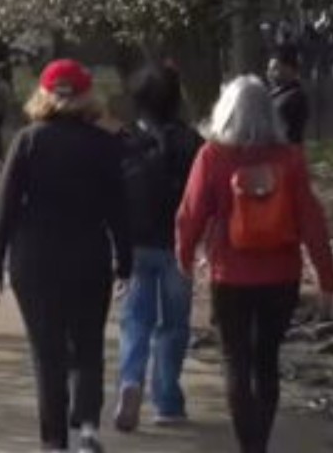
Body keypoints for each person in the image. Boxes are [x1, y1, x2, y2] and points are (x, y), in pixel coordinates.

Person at [177, 76, 333, 453]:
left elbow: (190, 213)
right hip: (280, 275)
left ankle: (246, 445)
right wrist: (327, 278)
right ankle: (259, 445)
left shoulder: (213, 156)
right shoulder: (290, 159)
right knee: (266, 359)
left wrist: (184, 256)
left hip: (229, 274)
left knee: (236, 359)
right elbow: (312, 221)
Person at [0, 59, 131, 453]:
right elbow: (118, 207)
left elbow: (7, 206)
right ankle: (87, 427)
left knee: (46, 349)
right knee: (87, 343)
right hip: (88, 254)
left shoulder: (29, 140)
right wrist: (125, 259)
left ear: (44, 94)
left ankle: (54, 439)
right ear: (88, 95)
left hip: (35, 258)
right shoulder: (104, 144)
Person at [114, 63, 204, 432]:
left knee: (135, 319)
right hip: (178, 244)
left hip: (134, 243)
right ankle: (167, 399)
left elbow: (112, 195)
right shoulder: (193, 143)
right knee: (173, 325)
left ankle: (131, 380)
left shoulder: (124, 143)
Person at [267, 46, 309, 145]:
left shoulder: (295, 97)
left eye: (275, 69)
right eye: (268, 69)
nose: (269, 74)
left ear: (289, 69)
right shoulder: (274, 95)